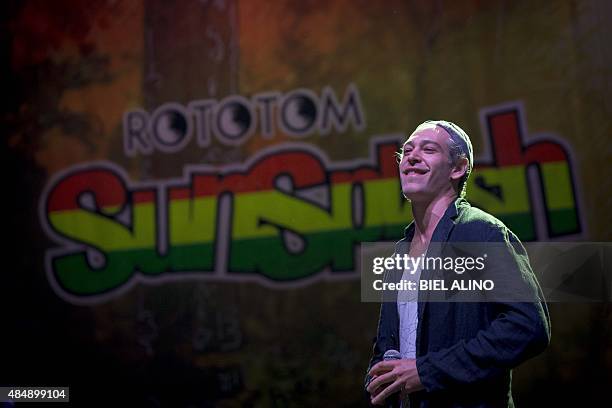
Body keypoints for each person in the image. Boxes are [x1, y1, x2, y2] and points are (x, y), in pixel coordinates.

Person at [365, 120, 551, 407]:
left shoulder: (481, 232)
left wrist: (427, 371)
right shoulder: (400, 253)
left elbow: (528, 326)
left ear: (458, 167)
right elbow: (387, 346)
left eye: (428, 149)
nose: (411, 156)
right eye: (407, 150)